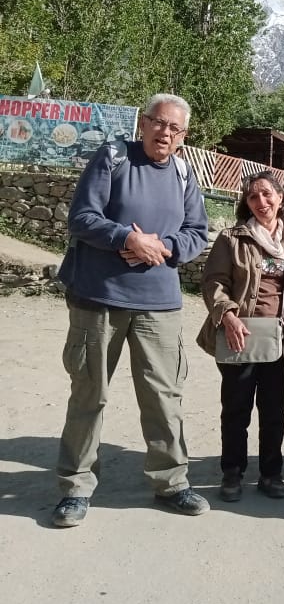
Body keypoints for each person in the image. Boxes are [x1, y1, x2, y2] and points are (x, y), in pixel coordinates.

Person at [52, 93, 209, 527]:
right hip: (99, 298)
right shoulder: (112, 158)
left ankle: (171, 482)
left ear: (183, 136)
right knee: (90, 393)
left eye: (175, 128)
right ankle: (75, 488)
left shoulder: (183, 173)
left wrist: (162, 246)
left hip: (159, 304)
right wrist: (127, 238)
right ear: (143, 123)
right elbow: (82, 217)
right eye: (158, 122)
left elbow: (197, 232)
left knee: (164, 396)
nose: (165, 133)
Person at [197, 172, 284, 501]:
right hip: (242, 335)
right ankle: (232, 473)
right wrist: (228, 315)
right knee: (236, 409)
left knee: (273, 411)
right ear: (246, 203)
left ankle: (271, 474)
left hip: (282, 339)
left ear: (281, 198)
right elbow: (214, 283)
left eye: (267, 194)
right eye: (253, 196)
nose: (261, 202)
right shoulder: (232, 238)